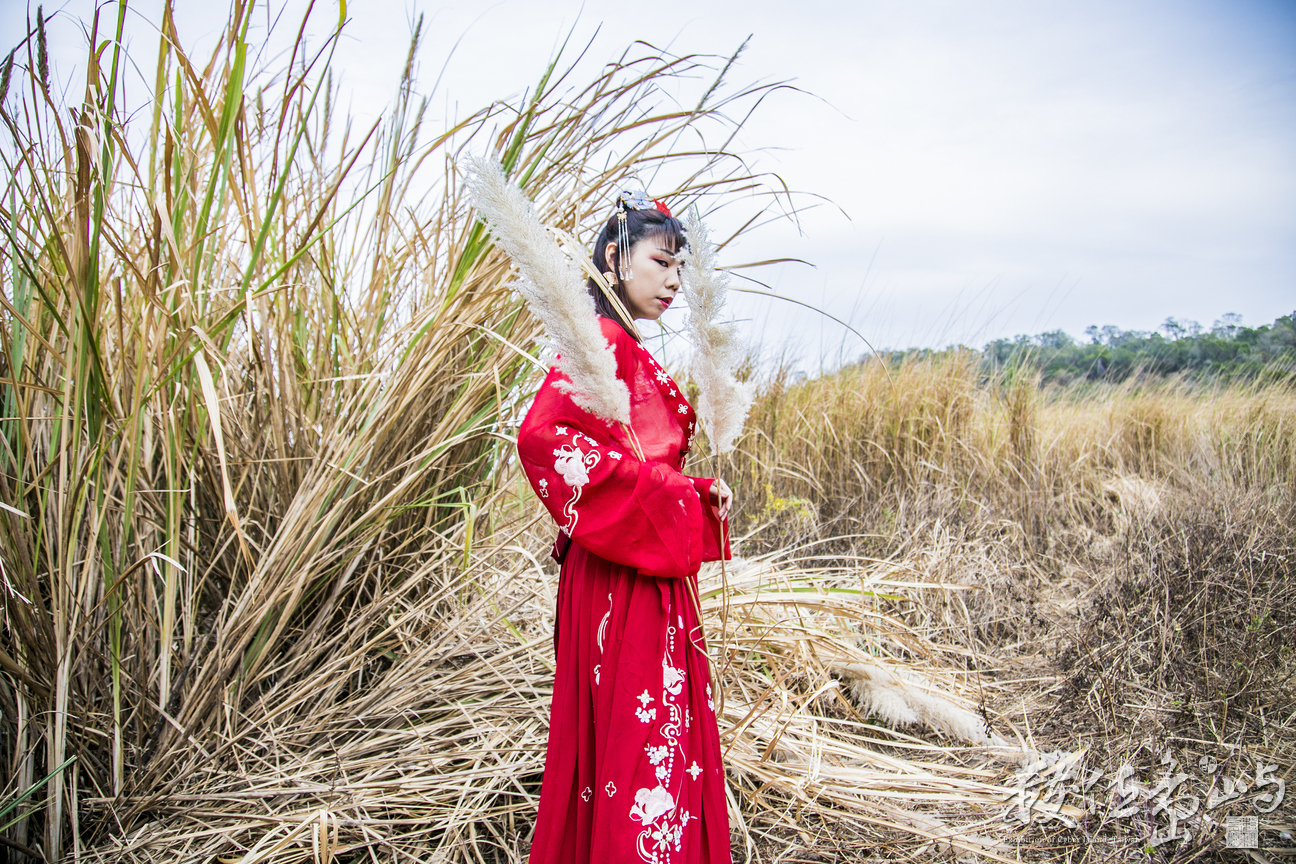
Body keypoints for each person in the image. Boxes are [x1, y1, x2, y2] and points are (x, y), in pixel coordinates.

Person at [518, 193, 733, 864]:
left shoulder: (622, 349)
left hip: (637, 568)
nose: (674, 281)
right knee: (644, 741)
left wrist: (694, 493)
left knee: (641, 737)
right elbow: (541, 438)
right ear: (613, 259)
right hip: (624, 580)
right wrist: (676, 497)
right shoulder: (601, 347)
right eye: (662, 262)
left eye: (680, 266)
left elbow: (629, 460)